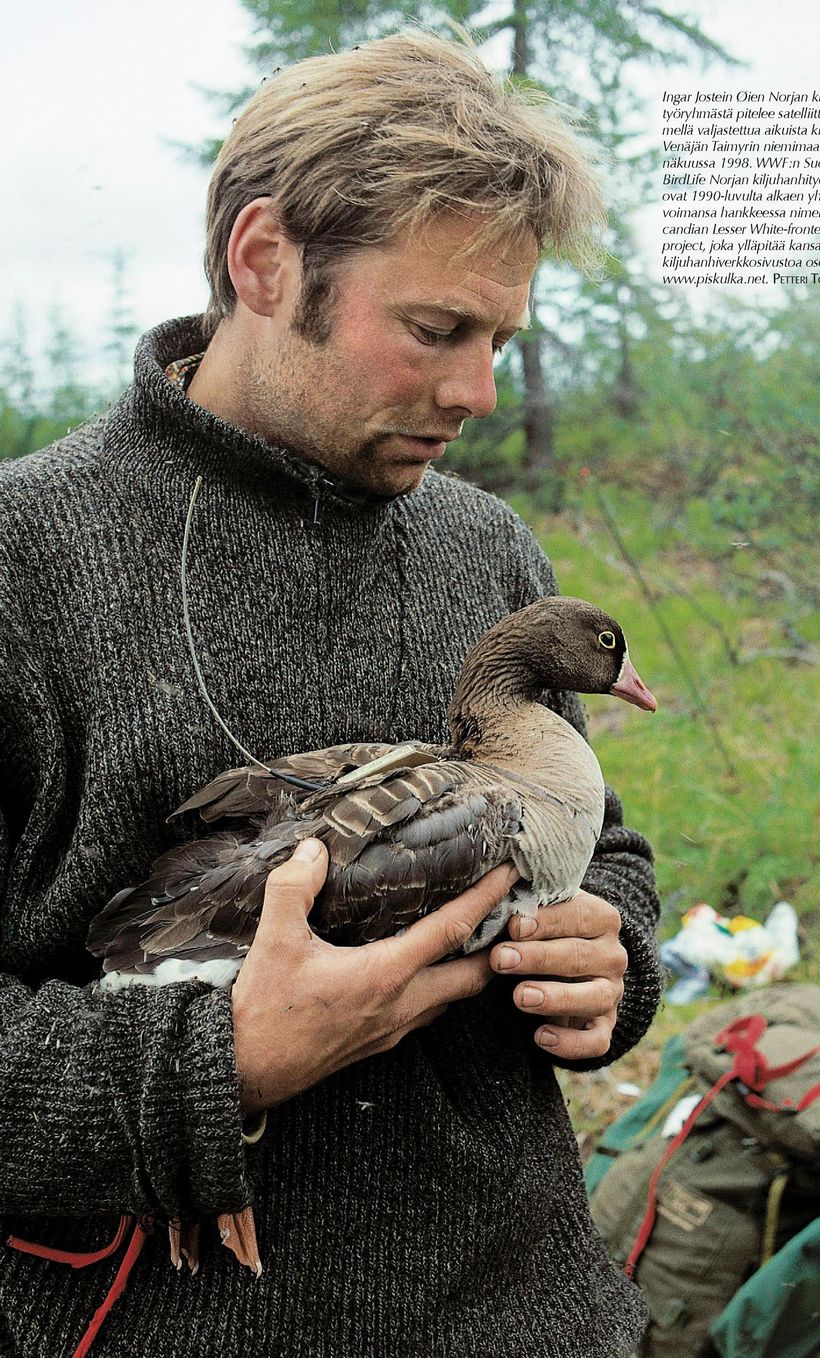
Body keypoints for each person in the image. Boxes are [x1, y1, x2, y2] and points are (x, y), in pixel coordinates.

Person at [0, 30, 661, 1358]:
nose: (475, 391)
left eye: (499, 338)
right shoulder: (27, 563)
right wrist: (211, 1065)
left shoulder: (484, 547)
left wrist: (614, 952)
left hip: (531, 1315)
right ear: (263, 261)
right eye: (433, 329)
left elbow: (612, 848)